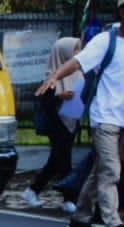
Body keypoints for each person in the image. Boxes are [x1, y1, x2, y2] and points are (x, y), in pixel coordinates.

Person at [37, 1, 124, 227]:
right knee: (111, 170)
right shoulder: (106, 40)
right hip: (104, 116)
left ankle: (80, 218)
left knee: (98, 170)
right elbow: (79, 62)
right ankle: (113, 225)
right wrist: (55, 76)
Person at [22, 36, 83, 211]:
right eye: (74, 50)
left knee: (55, 161)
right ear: (63, 52)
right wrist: (59, 96)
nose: (77, 54)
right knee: (64, 162)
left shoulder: (78, 72)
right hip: (57, 124)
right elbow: (45, 103)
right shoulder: (52, 76)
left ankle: (32, 190)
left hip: (72, 122)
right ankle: (69, 199)